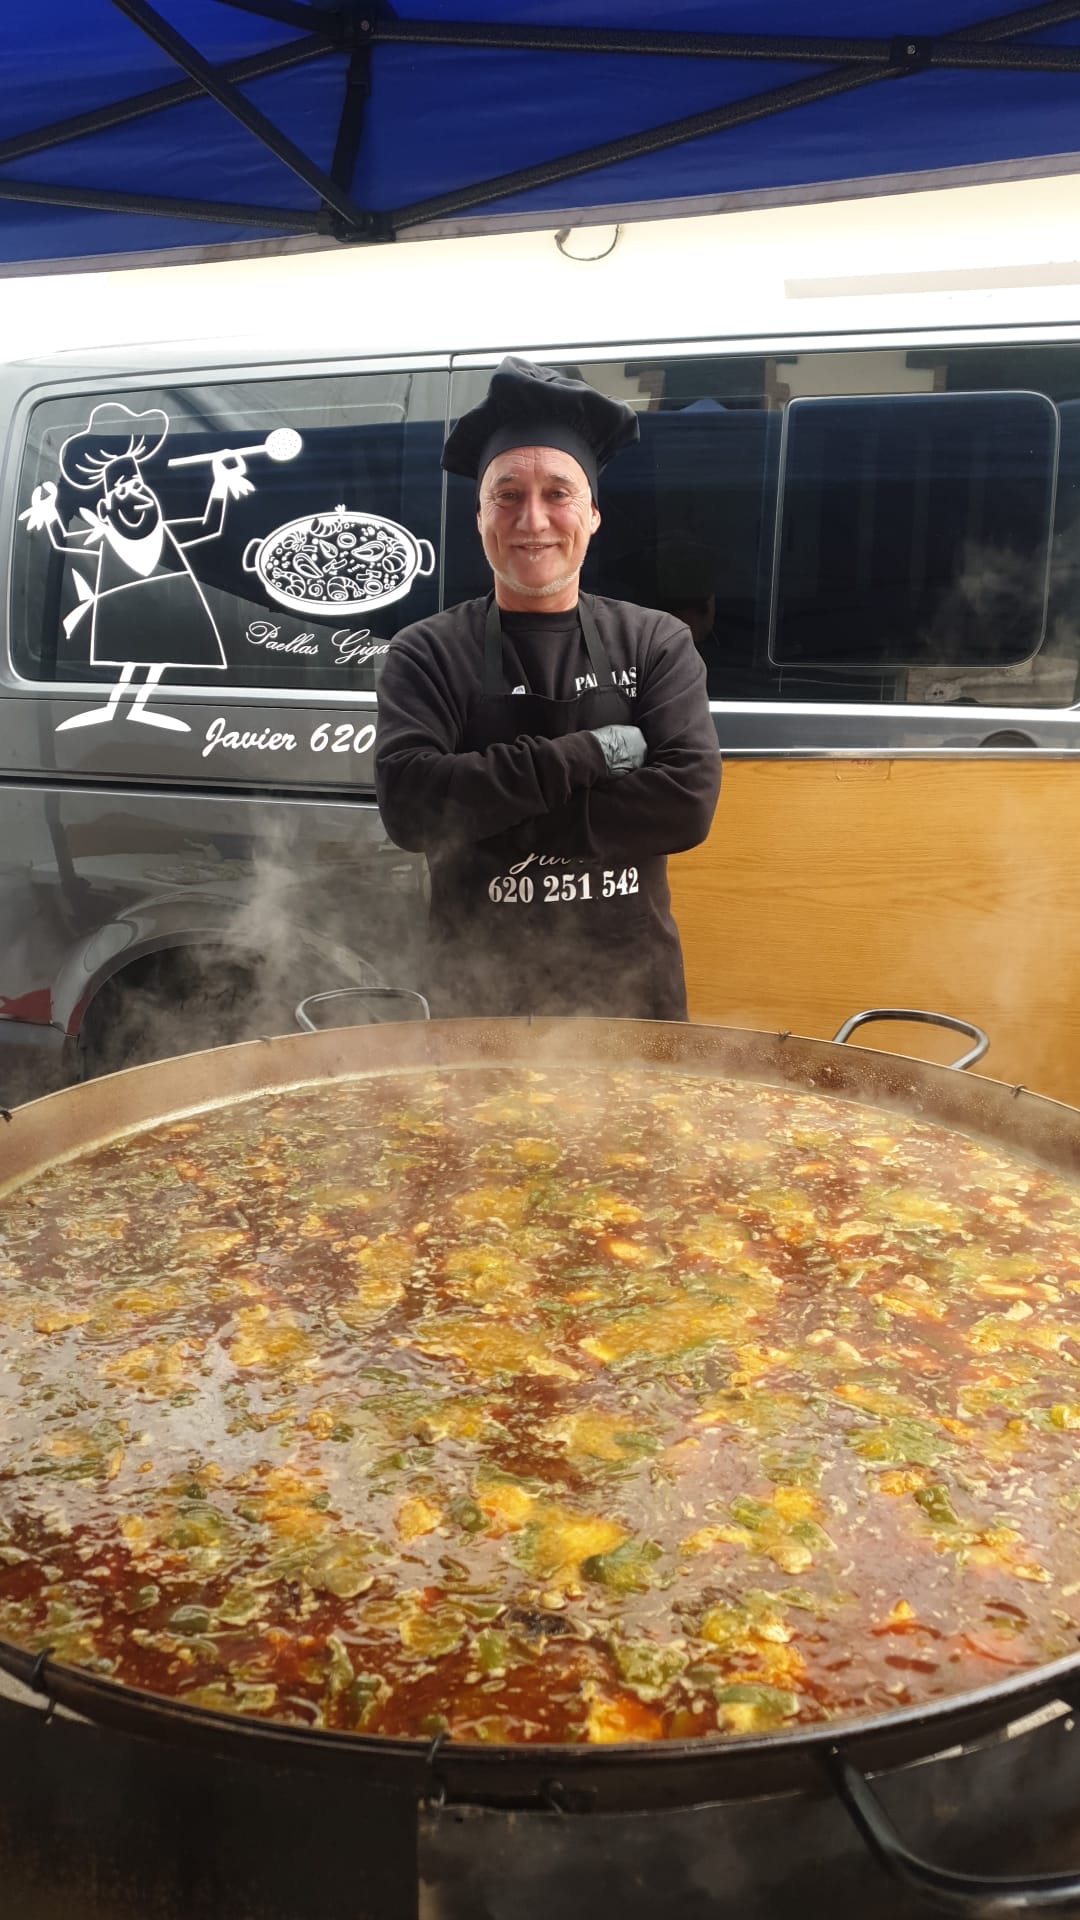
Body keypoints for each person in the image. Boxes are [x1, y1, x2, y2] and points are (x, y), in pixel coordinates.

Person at [374, 357, 721, 1020]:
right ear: (481, 516)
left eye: (557, 493)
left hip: (630, 1004)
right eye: (507, 495)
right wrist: (586, 757)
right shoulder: (426, 652)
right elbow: (412, 810)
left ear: (591, 514)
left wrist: (482, 815)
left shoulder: (654, 643)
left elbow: (686, 805)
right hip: (477, 1009)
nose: (532, 519)